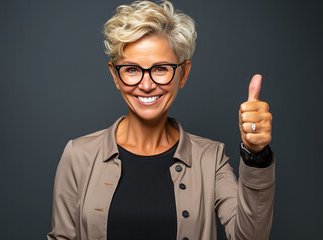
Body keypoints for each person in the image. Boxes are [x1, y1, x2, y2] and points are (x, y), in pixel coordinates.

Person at [47, 1, 275, 240]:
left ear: (183, 74)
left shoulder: (211, 158)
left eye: (161, 69)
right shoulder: (78, 155)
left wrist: (256, 155)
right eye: (132, 69)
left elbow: (251, 236)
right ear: (115, 75)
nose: (146, 85)